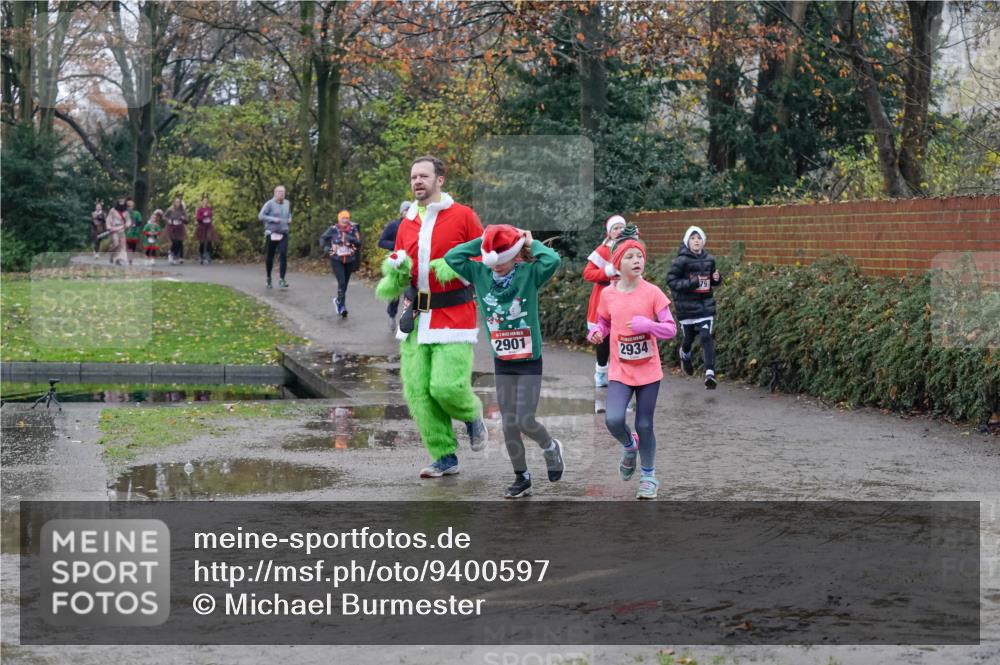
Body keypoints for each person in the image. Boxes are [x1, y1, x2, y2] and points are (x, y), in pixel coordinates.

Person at [374, 155, 487, 479]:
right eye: (413, 177)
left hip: (454, 314)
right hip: (415, 316)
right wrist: (395, 272)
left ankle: (472, 415)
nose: (417, 182)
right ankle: (444, 456)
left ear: (440, 180)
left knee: (446, 386)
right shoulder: (406, 222)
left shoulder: (463, 216)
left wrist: (454, 267)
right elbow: (398, 267)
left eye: (424, 176)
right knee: (418, 393)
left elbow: (482, 258)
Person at [444, 224, 564, 498]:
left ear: (516, 255)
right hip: (503, 360)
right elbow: (453, 257)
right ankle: (522, 477)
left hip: (529, 359)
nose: (496, 265)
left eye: (502, 258)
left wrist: (530, 243)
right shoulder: (479, 272)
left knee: (524, 419)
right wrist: (485, 242)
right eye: (492, 259)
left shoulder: (530, 274)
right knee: (509, 422)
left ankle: (549, 447)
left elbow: (553, 260)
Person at [588, 226, 677, 500]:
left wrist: (649, 325)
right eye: (630, 257)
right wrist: (597, 331)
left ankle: (649, 476)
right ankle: (629, 446)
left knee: (645, 424)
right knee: (614, 420)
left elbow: (671, 329)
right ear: (618, 264)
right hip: (621, 370)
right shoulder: (609, 294)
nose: (637, 261)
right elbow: (603, 320)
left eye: (640, 256)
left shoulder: (653, 293)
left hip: (649, 371)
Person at [666, 225, 723, 389]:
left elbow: (713, 280)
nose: (696, 241)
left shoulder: (710, 259)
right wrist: (693, 282)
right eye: (693, 238)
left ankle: (710, 374)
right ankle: (685, 354)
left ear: (703, 241)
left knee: (706, 336)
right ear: (687, 241)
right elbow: (672, 281)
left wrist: (716, 278)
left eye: (699, 238)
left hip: (705, 306)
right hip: (686, 307)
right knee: (689, 339)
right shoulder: (680, 260)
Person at [584, 215, 626, 388]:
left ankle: (620, 375)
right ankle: (601, 371)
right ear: (609, 232)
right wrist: (607, 271)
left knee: (623, 338)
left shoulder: (631, 249)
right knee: (604, 340)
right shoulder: (602, 250)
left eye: (621, 228)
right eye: (615, 228)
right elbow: (588, 274)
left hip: (625, 299)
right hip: (604, 300)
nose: (619, 231)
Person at [320, 210, 363, 318]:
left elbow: (359, 242)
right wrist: (326, 248)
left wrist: (349, 239)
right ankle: (342, 306)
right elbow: (323, 238)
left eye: (347, 218)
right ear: (339, 219)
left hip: (349, 259)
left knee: (345, 284)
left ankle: (338, 301)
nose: (345, 220)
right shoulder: (333, 229)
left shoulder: (353, 229)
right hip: (336, 259)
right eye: (343, 218)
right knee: (342, 282)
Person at [377, 201, 410, 332]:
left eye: (410, 209)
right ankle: (392, 314)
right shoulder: (393, 225)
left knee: (411, 293)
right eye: (406, 210)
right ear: (401, 212)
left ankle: (408, 321)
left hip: (412, 263)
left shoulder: (418, 225)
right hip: (396, 263)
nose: (408, 212)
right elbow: (381, 242)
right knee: (395, 294)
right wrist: (397, 245)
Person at [258, 185, 291, 289]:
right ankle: (268, 278)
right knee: (270, 256)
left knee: (283, 254)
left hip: (283, 232)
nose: (282, 194)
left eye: (283, 192)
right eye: (280, 192)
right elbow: (261, 216)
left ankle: (282, 279)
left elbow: (289, 213)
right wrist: (273, 219)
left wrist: (290, 218)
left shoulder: (287, 203)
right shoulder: (269, 204)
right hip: (272, 233)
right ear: (275, 193)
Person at [163, 196, 188, 265]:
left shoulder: (182, 211)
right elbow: (164, 216)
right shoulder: (170, 210)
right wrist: (168, 220)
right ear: (174, 203)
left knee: (179, 242)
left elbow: (187, 221)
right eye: (176, 202)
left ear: (180, 203)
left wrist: (183, 218)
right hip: (172, 228)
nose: (177, 203)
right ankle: (171, 253)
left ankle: (173, 255)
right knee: (175, 242)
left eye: (179, 202)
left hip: (180, 228)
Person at [105, 198, 129, 266]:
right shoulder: (112, 210)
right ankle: (111, 254)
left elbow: (128, 221)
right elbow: (108, 219)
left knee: (122, 246)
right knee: (116, 244)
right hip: (114, 229)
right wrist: (109, 227)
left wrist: (127, 225)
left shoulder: (126, 212)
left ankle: (119, 259)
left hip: (122, 229)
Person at [195, 197, 218, 264]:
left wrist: (209, 215)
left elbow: (211, 216)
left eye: (206, 201)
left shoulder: (209, 209)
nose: (205, 202)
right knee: (202, 242)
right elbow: (198, 218)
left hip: (209, 226)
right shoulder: (200, 209)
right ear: (202, 202)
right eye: (204, 201)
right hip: (202, 227)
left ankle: (208, 256)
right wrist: (204, 216)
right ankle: (201, 256)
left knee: (209, 240)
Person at [125, 197, 142, 265]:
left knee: (133, 246)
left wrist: (136, 228)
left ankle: (131, 257)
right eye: (129, 206)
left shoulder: (137, 213)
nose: (130, 207)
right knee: (129, 246)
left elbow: (139, 222)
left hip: (135, 232)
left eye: (131, 206)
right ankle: (129, 258)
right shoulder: (125, 213)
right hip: (127, 232)